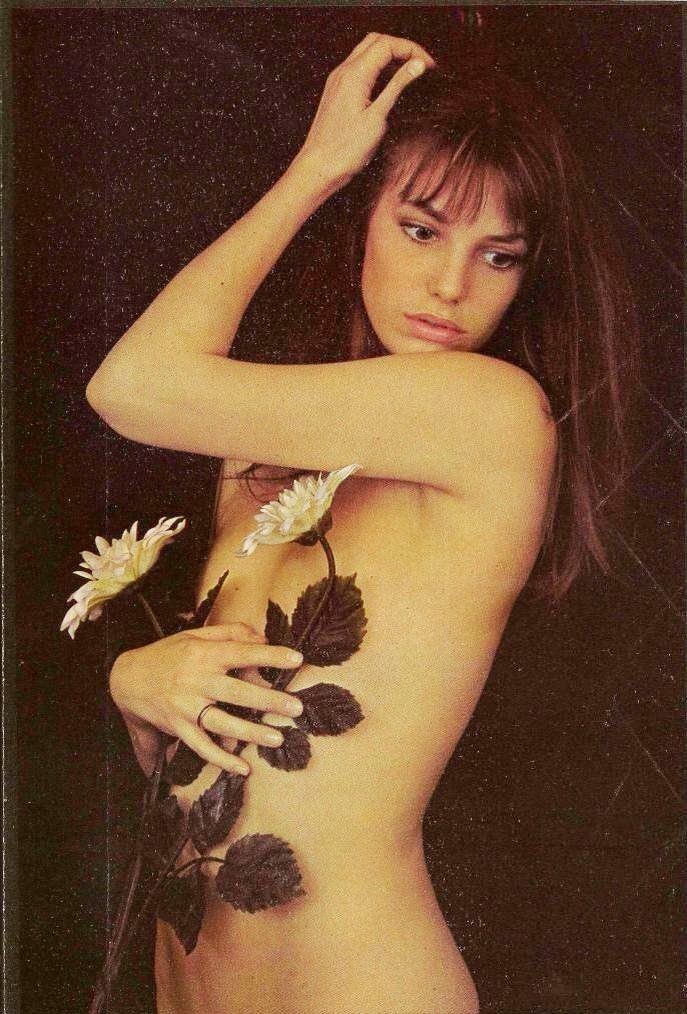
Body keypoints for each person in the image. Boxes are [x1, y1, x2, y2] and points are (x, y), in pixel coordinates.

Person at [87, 32, 637, 1014]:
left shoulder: (491, 414)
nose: (451, 286)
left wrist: (315, 168)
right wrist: (138, 684)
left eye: (497, 255)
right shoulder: (264, 458)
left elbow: (128, 387)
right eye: (421, 229)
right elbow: (209, 761)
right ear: (364, 224)